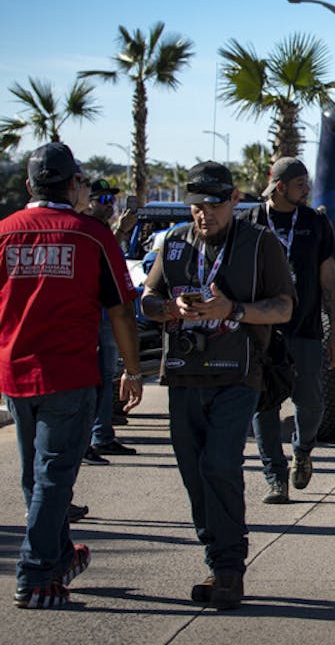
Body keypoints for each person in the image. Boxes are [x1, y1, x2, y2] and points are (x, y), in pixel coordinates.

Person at [140, 161, 295, 611]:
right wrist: (169, 308)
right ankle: (215, 557)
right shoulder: (172, 243)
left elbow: (284, 307)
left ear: (233, 199)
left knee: (219, 465)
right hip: (184, 373)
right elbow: (147, 299)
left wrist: (234, 310)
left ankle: (228, 569)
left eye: (212, 204)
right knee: (193, 472)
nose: (203, 214)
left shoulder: (259, 243)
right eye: (195, 206)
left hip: (239, 372)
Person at [0, 143, 143, 609]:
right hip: (70, 375)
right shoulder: (91, 234)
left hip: (15, 374)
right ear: (74, 183)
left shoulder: (4, 232)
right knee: (52, 477)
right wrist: (133, 369)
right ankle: (36, 574)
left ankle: (58, 555)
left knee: (36, 476)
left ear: (29, 185)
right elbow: (121, 309)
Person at [244, 158, 335, 505]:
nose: (307, 189)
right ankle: (275, 477)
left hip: (306, 328)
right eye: (301, 183)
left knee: (311, 402)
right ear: (281, 187)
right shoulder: (251, 221)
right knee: (263, 404)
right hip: (261, 331)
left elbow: (329, 279)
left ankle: (302, 450)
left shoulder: (315, 222)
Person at [79, 178, 138, 465]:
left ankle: (102, 434)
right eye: (102, 200)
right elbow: (101, 260)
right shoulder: (85, 229)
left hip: (107, 314)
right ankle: (92, 437)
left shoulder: (101, 230)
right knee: (96, 380)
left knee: (106, 378)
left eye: (111, 200)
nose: (109, 205)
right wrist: (120, 231)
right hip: (94, 316)